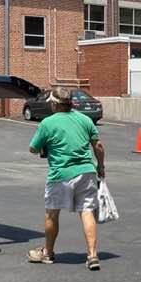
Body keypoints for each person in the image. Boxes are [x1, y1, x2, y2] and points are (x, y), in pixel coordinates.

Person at [27, 87, 106, 269]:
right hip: (86, 172)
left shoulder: (47, 123)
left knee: (52, 214)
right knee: (87, 212)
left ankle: (48, 253)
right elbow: (98, 145)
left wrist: (44, 146)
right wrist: (100, 166)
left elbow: (32, 148)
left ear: (54, 104)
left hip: (60, 174)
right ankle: (93, 256)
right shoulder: (85, 119)